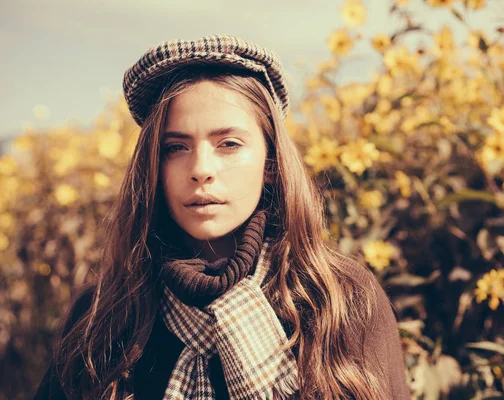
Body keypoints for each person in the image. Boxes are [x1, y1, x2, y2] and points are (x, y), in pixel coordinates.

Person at [33, 35, 410, 399]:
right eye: (175, 147)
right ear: (152, 166)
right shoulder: (104, 315)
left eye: (229, 144)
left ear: (271, 162)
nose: (200, 169)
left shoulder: (341, 300)